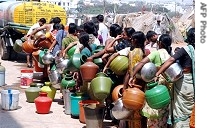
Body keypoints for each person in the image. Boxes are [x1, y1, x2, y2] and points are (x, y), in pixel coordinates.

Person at [129, 34, 173, 128]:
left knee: (154, 109)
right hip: (166, 87)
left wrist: (132, 76)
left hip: (156, 84)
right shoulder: (170, 55)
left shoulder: (156, 53)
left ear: (159, 43)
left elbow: (141, 63)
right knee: (163, 109)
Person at [155, 28, 195, 128]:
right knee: (192, 107)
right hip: (193, 85)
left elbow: (170, 60)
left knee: (181, 109)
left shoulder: (185, 50)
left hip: (184, 83)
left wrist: (158, 73)